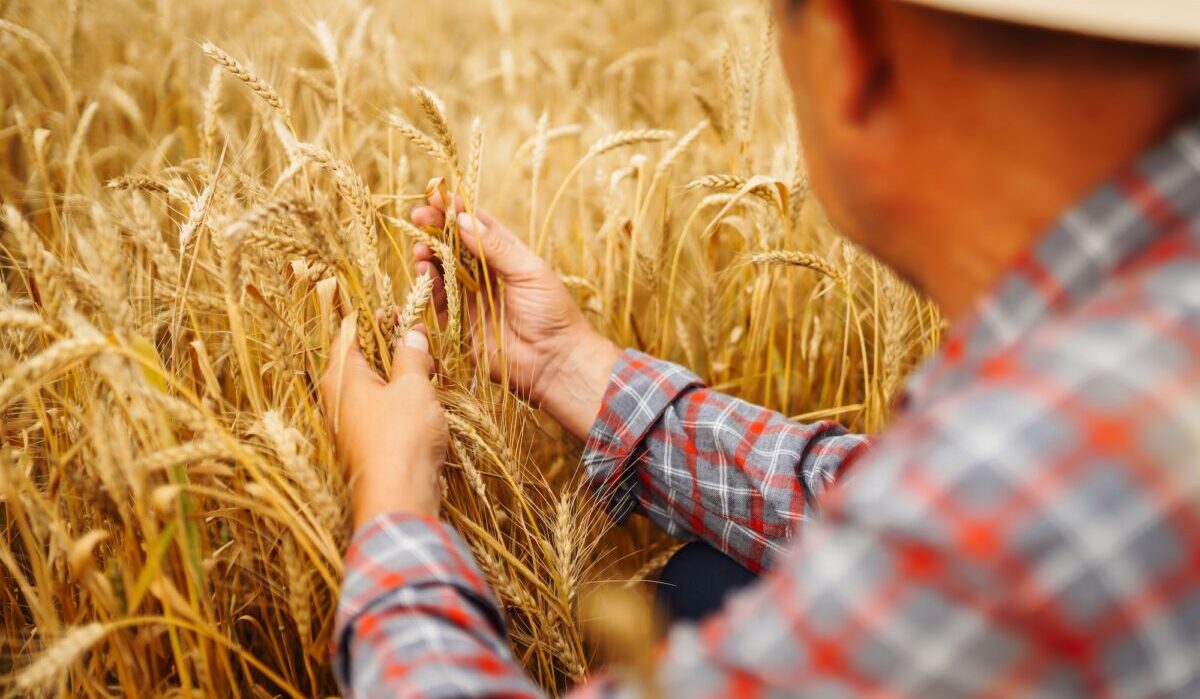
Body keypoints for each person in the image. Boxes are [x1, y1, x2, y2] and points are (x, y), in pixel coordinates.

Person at [320, 0, 1200, 695]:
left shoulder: (1029, 484)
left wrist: (392, 497)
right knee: (705, 585)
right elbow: (865, 491)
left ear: (851, 46)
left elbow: (959, 518)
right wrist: (566, 364)